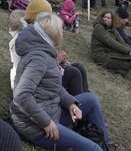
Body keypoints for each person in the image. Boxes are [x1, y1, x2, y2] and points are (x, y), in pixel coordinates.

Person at [10, 12, 114, 150]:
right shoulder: (38, 59)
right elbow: (21, 95)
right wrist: (46, 122)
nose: (62, 33)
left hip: (50, 112)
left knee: (91, 99)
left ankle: (107, 145)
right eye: (61, 30)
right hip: (36, 127)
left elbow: (55, 86)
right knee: (93, 149)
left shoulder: (45, 51)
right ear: (53, 34)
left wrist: (71, 104)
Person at [90, 10, 131, 87]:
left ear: (112, 20)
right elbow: (112, 43)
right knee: (129, 60)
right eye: (104, 17)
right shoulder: (99, 28)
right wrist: (129, 50)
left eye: (108, 18)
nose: (106, 19)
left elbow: (121, 42)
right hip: (101, 54)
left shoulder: (112, 28)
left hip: (110, 51)